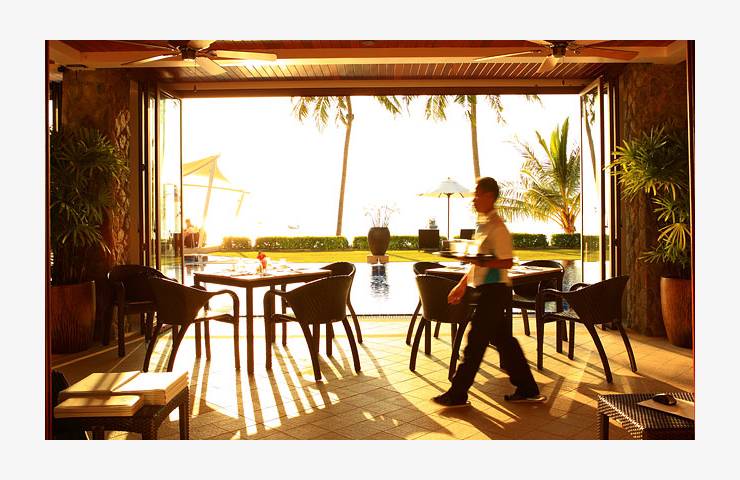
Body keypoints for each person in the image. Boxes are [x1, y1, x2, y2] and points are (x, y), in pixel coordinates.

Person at [433, 176, 545, 407]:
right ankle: (528, 388)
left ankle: (458, 393)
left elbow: (506, 262)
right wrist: (462, 285)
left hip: (495, 292)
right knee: (505, 342)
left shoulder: (498, 228)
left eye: (477, 194)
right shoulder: (483, 225)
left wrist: (478, 261)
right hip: (487, 290)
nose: (473, 199)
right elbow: (477, 263)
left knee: (475, 342)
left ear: (489, 196)